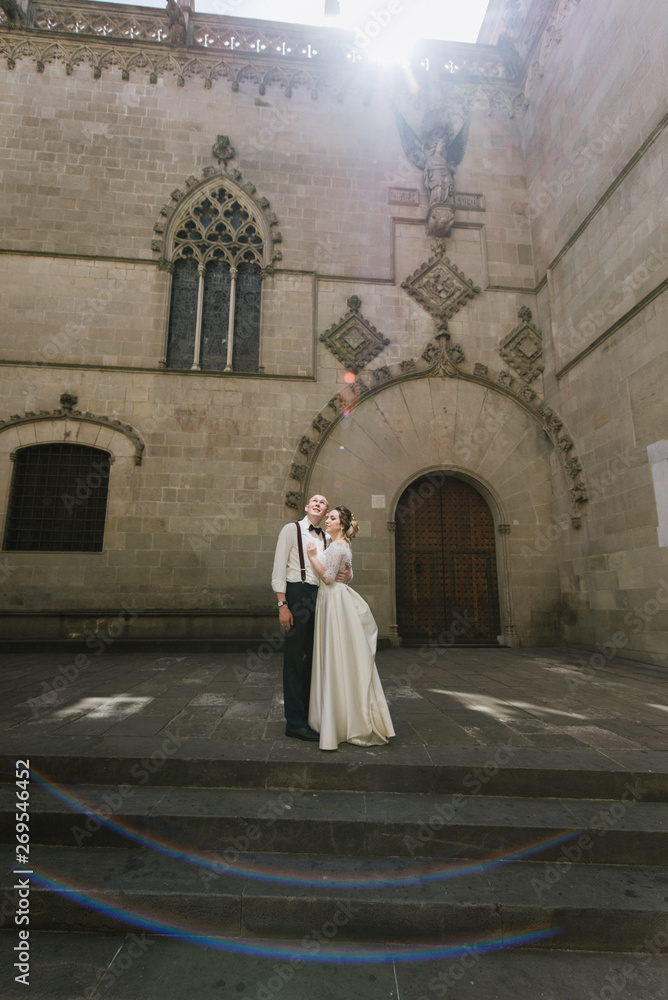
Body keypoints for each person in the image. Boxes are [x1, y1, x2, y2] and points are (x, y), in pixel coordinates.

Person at [306, 506, 395, 751]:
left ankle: (342, 720)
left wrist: (313, 556)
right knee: (337, 655)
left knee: (335, 654)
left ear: (342, 525)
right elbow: (344, 571)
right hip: (331, 599)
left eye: (332, 518)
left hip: (333, 601)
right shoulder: (340, 545)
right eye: (328, 517)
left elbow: (328, 577)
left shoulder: (337, 545)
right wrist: (350, 574)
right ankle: (338, 715)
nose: (327, 520)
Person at [271, 494, 351, 742]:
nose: (318, 503)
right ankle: (294, 722)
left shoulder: (328, 537)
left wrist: (348, 575)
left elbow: (338, 566)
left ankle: (309, 715)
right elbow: (278, 568)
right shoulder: (290, 530)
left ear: (326, 511)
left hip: (322, 597)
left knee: (314, 658)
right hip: (297, 593)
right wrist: (282, 604)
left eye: (323, 502)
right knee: (295, 658)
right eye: (314, 500)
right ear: (307, 507)